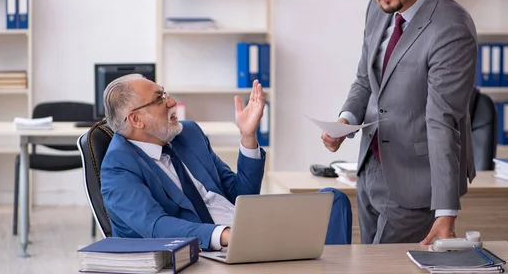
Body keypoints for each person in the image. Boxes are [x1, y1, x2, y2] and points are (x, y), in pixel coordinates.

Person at [321, 0, 477, 245]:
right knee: (367, 266)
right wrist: (345, 121)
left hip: (416, 182)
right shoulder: (378, 9)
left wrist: (445, 213)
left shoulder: (450, 28)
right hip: (370, 170)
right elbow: (366, 77)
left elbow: (442, 121)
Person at [101, 75, 352, 250]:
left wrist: (248, 136)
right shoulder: (117, 168)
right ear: (136, 120)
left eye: (165, 93)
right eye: (159, 99)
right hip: (205, 249)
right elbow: (155, 227)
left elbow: (242, 195)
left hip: (245, 231)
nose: (171, 101)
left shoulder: (188, 134)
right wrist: (226, 235)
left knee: (333, 200)